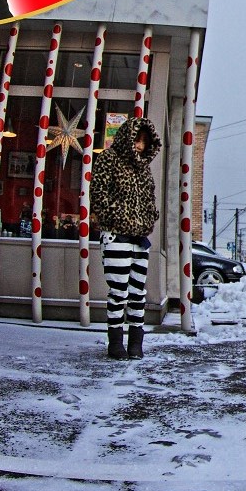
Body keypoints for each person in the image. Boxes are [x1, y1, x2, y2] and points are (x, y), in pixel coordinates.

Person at [90, 116, 162, 360]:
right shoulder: (108, 158)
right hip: (116, 234)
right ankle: (115, 343)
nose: (140, 146)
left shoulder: (144, 168)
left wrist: (149, 218)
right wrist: (118, 216)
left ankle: (135, 343)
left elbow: (150, 198)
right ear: (126, 138)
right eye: (137, 140)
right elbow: (98, 194)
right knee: (118, 291)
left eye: (144, 141)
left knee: (137, 292)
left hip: (140, 238)